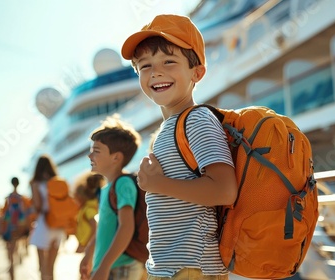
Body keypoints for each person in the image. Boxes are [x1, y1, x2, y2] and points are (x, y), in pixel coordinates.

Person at [120, 14, 238, 279]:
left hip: (191, 268)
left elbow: (224, 189)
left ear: (197, 72)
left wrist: (157, 185)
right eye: (145, 65)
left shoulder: (196, 120)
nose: (156, 71)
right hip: (171, 267)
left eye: (169, 61)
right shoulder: (169, 128)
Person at [79, 115, 143, 280]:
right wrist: (89, 253)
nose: (90, 156)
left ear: (116, 158)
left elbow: (125, 227)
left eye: (96, 151)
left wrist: (104, 266)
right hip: (110, 267)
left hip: (121, 267)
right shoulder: (107, 187)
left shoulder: (123, 184)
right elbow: (105, 227)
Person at [29, 154, 67, 280]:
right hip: (58, 225)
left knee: (42, 265)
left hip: (44, 224)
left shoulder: (36, 184)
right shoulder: (58, 181)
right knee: (51, 266)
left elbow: (38, 207)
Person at [0, 176, 29, 280]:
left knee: (11, 244)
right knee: (17, 242)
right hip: (20, 222)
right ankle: (15, 258)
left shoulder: (8, 197)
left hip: (10, 223)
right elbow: (25, 211)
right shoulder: (22, 198)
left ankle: (11, 262)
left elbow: (4, 212)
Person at [73, 171, 104, 253]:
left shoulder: (88, 210)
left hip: (89, 245)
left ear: (82, 197)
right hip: (86, 244)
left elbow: (95, 228)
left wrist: (86, 245)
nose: (75, 201)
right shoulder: (86, 208)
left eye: (76, 198)